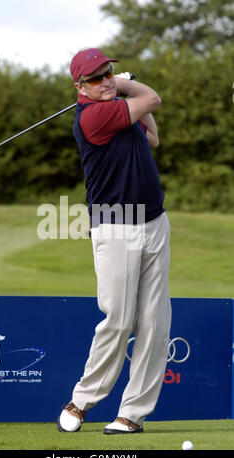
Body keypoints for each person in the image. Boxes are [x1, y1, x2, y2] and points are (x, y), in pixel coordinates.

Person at [57, 48, 171, 434]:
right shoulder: (94, 116)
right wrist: (127, 86)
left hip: (154, 221)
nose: (106, 80)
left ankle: (131, 414)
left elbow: (152, 137)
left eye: (109, 72)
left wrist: (125, 95)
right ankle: (83, 399)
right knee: (118, 320)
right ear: (80, 87)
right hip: (116, 226)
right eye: (97, 78)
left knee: (154, 323)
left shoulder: (118, 108)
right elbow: (152, 98)